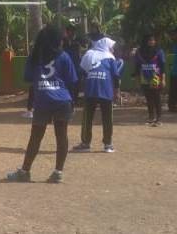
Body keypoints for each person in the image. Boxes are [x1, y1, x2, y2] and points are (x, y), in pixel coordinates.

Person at [7, 25, 78, 184]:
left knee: (36, 137)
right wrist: (72, 102)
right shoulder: (64, 56)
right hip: (63, 101)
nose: (62, 42)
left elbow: (28, 78)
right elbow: (72, 81)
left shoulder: (35, 57)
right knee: (62, 136)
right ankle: (58, 172)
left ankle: (25, 171)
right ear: (56, 40)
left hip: (43, 101)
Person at [73, 37, 124, 153]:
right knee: (107, 118)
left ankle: (86, 143)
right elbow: (116, 76)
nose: (112, 49)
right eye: (111, 47)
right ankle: (108, 144)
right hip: (106, 90)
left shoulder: (89, 54)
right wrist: (116, 91)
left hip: (90, 89)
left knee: (87, 117)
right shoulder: (111, 58)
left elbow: (81, 71)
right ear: (106, 46)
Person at [133, 34, 166, 126]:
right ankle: (151, 117)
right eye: (149, 40)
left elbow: (163, 67)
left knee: (157, 97)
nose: (151, 42)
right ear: (145, 41)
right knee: (148, 98)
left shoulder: (159, 51)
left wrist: (163, 79)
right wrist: (137, 80)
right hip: (144, 77)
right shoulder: (139, 52)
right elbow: (137, 67)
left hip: (156, 77)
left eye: (153, 40)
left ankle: (158, 118)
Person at [63, 25, 83, 105]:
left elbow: (81, 51)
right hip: (66, 65)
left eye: (73, 31)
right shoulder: (63, 41)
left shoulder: (78, 41)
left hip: (76, 64)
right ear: (67, 32)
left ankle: (75, 98)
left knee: (76, 82)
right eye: (70, 31)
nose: (72, 33)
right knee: (67, 82)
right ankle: (68, 98)